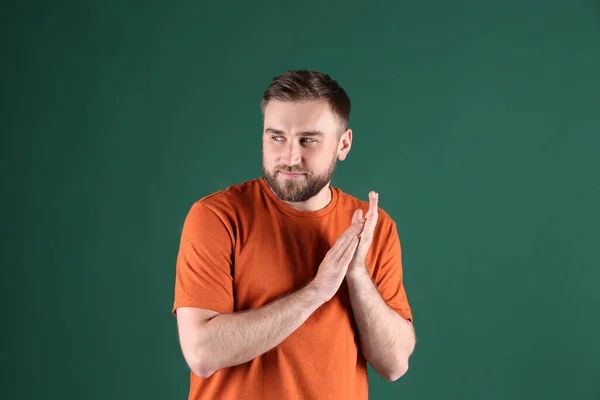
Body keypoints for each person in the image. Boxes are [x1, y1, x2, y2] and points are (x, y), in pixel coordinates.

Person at [172, 70, 416, 400]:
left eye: (308, 140)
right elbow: (202, 354)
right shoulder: (217, 217)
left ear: (343, 144)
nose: (289, 157)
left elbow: (395, 364)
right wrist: (316, 291)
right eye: (277, 137)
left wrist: (357, 276)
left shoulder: (374, 227)